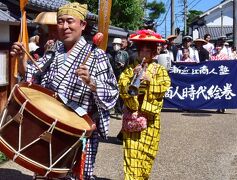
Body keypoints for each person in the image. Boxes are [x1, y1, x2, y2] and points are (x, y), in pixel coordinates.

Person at [10, 2, 118, 180]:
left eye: (70, 21)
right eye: (60, 21)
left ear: (82, 25)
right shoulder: (53, 51)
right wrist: (22, 58)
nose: (65, 26)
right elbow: (34, 76)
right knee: (43, 173)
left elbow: (113, 92)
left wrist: (92, 82)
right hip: (48, 125)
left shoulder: (96, 55)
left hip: (77, 130)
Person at [118, 29, 171, 179]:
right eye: (142, 50)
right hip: (133, 116)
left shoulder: (160, 69)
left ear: (154, 52)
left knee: (148, 155)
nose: (144, 54)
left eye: (148, 51)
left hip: (151, 118)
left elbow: (165, 86)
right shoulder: (130, 69)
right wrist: (132, 79)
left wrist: (150, 80)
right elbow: (121, 87)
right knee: (132, 156)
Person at [108, 38, 129, 116]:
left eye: (118, 44)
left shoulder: (124, 54)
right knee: (112, 92)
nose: (116, 46)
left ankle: (119, 111)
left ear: (121, 45)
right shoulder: (109, 53)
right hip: (112, 76)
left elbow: (127, 64)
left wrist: (123, 67)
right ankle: (114, 109)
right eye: (114, 44)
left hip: (121, 75)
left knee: (121, 93)